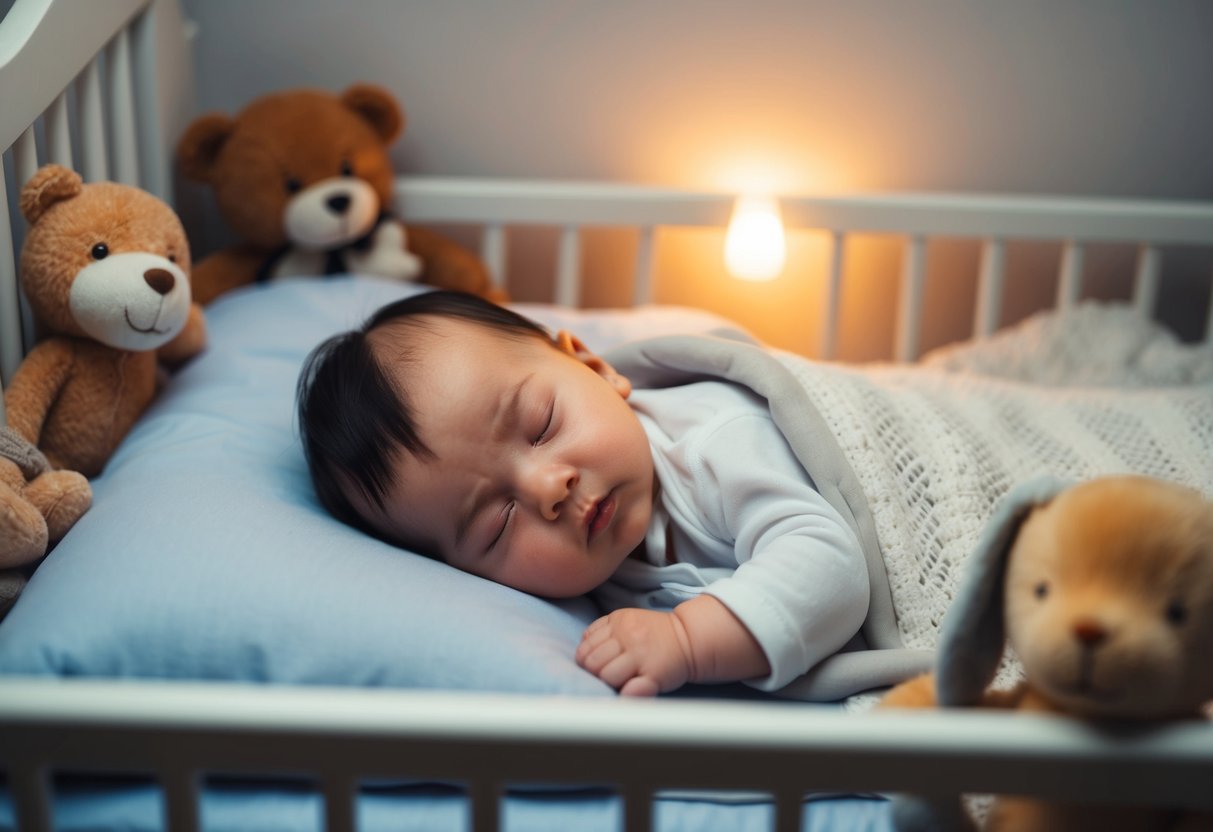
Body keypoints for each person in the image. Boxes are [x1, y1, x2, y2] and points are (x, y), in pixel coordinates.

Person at [296, 290, 869, 697]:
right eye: (496, 524)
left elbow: (830, 565)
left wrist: (687, 641)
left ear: (592, 366)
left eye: (542, 424)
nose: (548, 487)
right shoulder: (587, 588)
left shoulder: (717, 442)